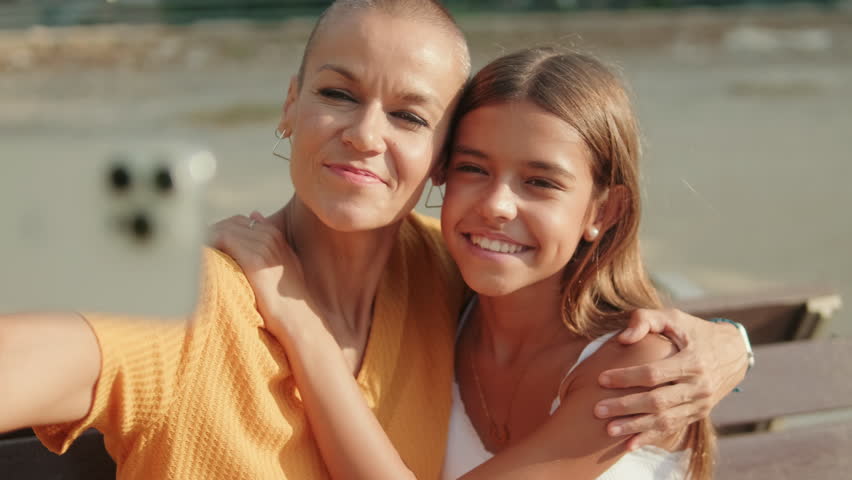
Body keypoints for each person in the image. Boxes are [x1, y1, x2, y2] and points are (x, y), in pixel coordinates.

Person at [0, 1, 747, 478]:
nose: (363, 135)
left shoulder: (447, 269)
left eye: (410, 117)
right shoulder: (196, 299)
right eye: (337, 93)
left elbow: (596, 292)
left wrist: (727, 346)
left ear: (435, 157)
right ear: (290, 105)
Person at [214, 48, 723, 479]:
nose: (496, 205)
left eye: (540, 182)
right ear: (439, 172)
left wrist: (298, 319)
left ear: (603, 211)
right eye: (473, 169)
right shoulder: (441, 312)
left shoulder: (638, 368)